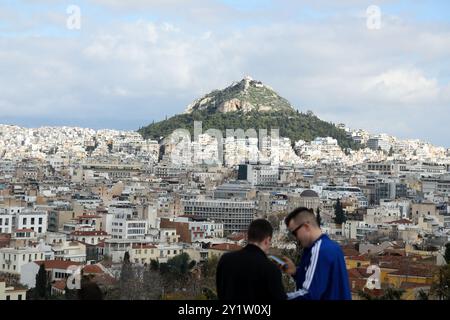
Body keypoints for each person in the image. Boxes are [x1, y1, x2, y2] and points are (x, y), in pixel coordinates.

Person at [282, 207, 351, 300]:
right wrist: (295, 272)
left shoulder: (320, 250)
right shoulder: (330, 247)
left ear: (306, 227)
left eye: (295, 233)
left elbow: (309, 294)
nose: (295, 238)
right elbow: (320, 281)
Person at [216, 219, 287, 300]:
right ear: (267, 240)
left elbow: (221, 292)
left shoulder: (225, 260)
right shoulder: (271, 269)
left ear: (247, 237)